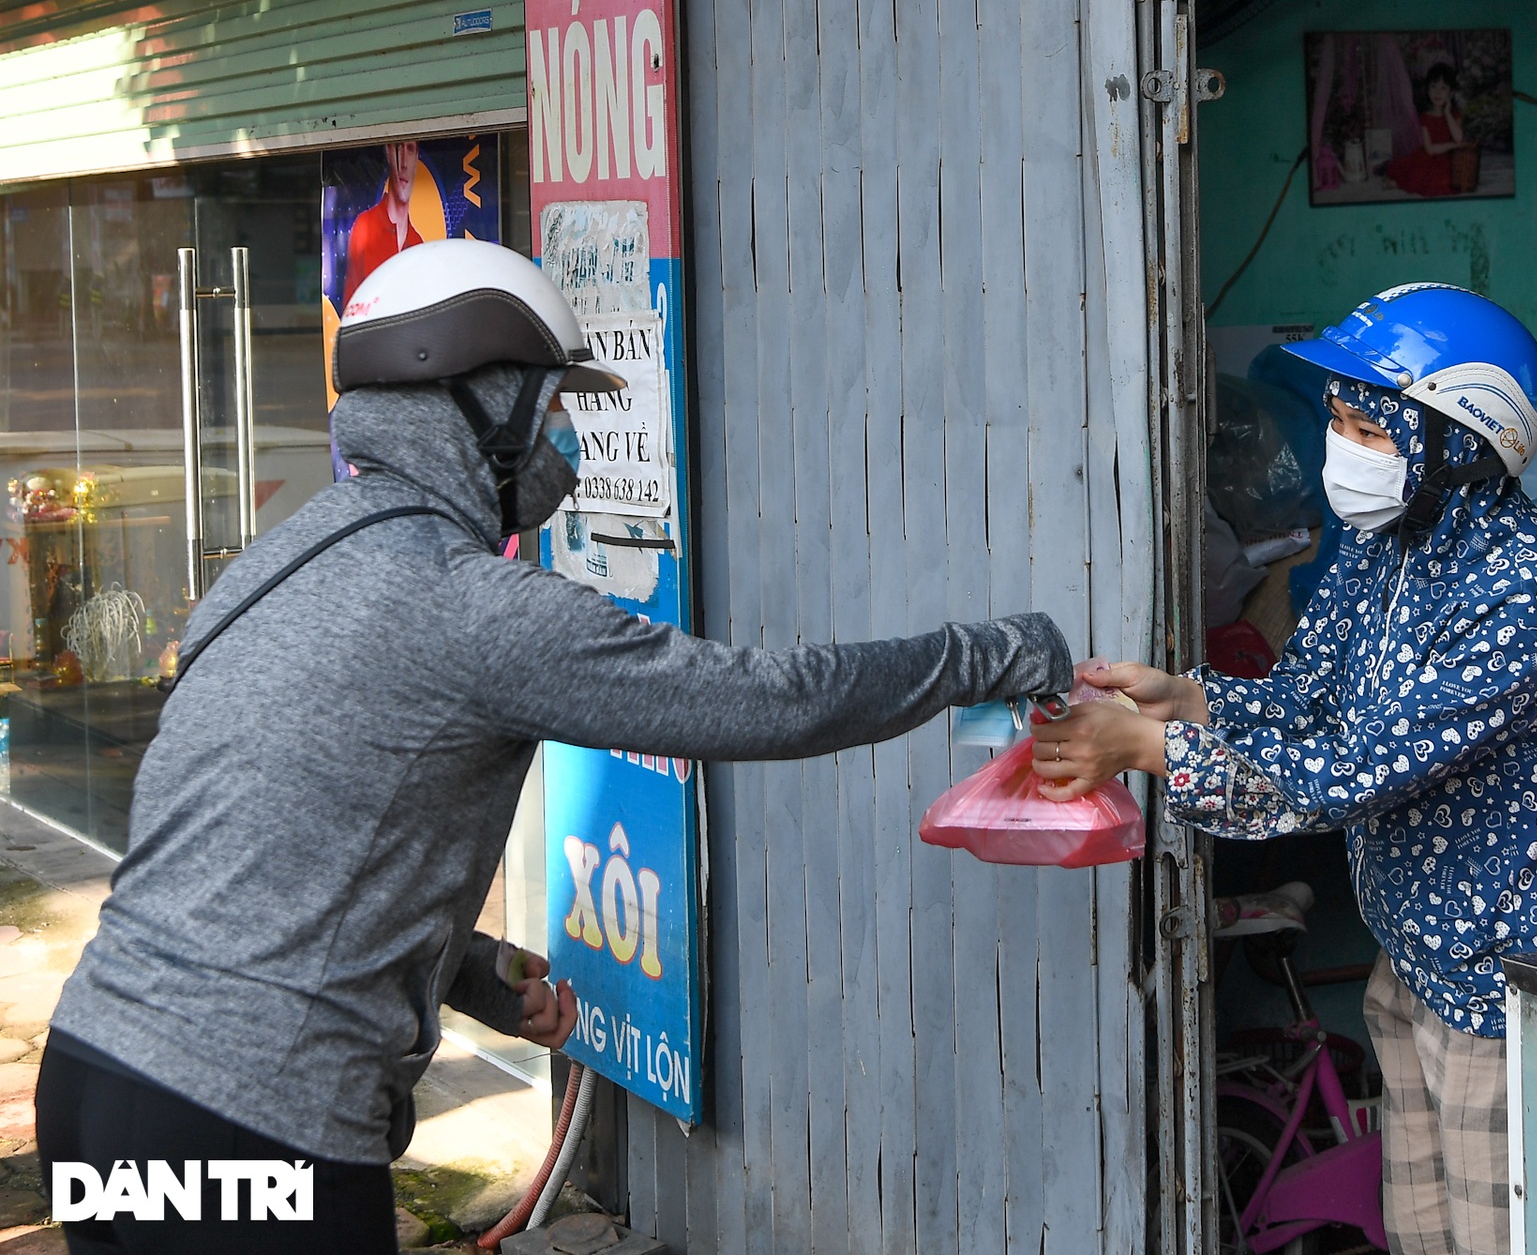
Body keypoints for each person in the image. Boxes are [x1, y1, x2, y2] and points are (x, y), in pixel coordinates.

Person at [37, 239, 1074, 1253]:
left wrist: (475, 971)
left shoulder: (275, 567)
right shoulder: (465, 603)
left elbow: (282, 851)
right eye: (554, 405)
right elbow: (768, 702)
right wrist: (989, 653)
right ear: (479, 403)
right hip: (250, 1117)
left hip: (96, 1077)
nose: (565, 437)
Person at [1033, 285, 1537, 1255]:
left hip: (1498, 994)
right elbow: (1309, 701)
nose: (1340, 444)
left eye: (1362, 424)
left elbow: (1346, 773)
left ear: (1459, 442)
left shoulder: (1522, 596)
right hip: (1413, 964)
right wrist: (1188, 699)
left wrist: (1156, 752)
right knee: (1421, 1234)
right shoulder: (1390, 549)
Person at [342, 141, 424, 306]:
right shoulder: (366, 226)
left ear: (416, 158)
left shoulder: (419, 245)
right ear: (388, 152)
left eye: (410, 150)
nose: (403, 164)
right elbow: (351, 312)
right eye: (398, 148)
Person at [1384, 63, 1473, 198]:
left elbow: (1459, 138)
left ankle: (1397, 181)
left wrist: (1448, 113)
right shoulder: (1425, 118)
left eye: (1443, 88)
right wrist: (1453, 145)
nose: (1437, 92)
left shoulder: (1454, 114)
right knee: (1419, 175)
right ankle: (1397, 181)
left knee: (1451, 178)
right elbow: (1430, 149)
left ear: (1451, 92)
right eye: (1433, 87)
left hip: (1449, 159)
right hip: (1429, 157)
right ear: (1427, 89)